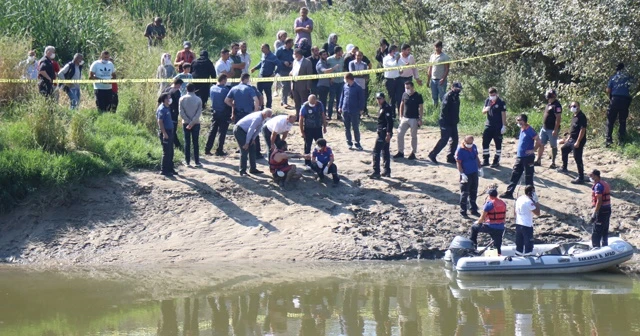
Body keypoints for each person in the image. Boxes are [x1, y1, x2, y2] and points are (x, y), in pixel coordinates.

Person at [500, 114, 542, 199]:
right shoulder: (522, 129)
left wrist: (533, 150)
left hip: (528, 157)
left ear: (525, 121)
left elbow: (539, 141)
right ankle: (509, 192)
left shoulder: (530, 130)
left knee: (528, 176)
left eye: (520, 120)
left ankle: (530, 195)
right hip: (520, 157)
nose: (519, 122)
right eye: (518, 120)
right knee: (515, 174)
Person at [428, 82, 462, 164]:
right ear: (452, 87)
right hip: (446, 121)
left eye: (459, 89)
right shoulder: (448, 96)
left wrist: (456, 119)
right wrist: (448, 121)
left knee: (455, 140)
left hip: (453, 121)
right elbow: (444, 111)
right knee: (444, 139)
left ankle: (450, 156)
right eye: (456, 89)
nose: (458, 90)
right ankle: (433, 154)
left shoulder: (456, 96)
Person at [234, 109, 273, 176]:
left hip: (246, 132)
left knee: (252, 148)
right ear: (264, 114)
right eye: (268, 116)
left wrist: (253, 139)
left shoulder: (263, 118)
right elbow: (251, 129)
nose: (268, 117)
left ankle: (253, 169)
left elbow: (258, 130)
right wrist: (247, 142)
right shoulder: (258, 118)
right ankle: (242, 170)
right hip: (239, 130)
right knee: (244, 150)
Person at [558, 101, 587, 183]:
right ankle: (564, 168)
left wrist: (578, 141)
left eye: (574, 106)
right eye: (571, 106)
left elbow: (582, 130)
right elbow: (573, 128)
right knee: (564, 149)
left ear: (579, 106)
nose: (572, 107)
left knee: (577, 158)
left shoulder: (582, 116)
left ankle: (581, 178)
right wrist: (568, 138)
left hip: (578, 140)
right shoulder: (574, 116)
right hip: (571, 139)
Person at [606, 63, 634, 146]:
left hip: (615, 100)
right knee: (622, 120)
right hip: (625, 100)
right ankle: (621, 140)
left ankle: (608, 141)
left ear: (616, 69)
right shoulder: (628, 78)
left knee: (610, 121)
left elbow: (608, 90)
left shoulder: (613, 78)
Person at [470, 188, 506, 255]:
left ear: (489, 195)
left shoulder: (489, 204)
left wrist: (477, 222)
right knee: (497, 244)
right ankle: (498, 255)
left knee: (474, 228)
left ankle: (473, 247)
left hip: (490, 226)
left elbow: (482, 218)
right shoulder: (503, 203)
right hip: (500, 227)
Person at [394, 81, 423, 160]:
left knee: (413, 136)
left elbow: (420, 107)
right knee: (399, 134)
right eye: (406, 88)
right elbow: (401, 104)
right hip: (405, 118)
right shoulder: (404, 94)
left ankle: (413, 153)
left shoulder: (418, 96)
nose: (407, 89)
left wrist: (420, 118)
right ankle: (400, 152)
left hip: (414, 119)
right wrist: (400, 116)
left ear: (412, 87)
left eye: (408, 88)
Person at [455, 136, 483, 218]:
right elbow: (458, 163)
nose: (469, 145)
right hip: (466, 174)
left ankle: (473, 209)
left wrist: (480, 168)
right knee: (465, 193)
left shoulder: (474, 147)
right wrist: (462, 174)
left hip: (474, 172)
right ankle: (463, 211)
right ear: (464, 141)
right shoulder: (460, 150)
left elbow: (476, 157)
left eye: (471, 143)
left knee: (474, 191)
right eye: (468, 143)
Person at [534, 89, 562, 168]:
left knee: (553, 146)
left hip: (552, 129)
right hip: (544, 128)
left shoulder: (557, 105)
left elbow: (558, 118)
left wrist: (555, 130)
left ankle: (553, 163)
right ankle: (538, 160)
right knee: (541, 143)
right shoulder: (548, 104)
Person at [205, 75, 231, 156]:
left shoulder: (212, 88)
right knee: (222, 132)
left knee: (212, 131)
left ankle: (207, 149)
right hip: (224, 113)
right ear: (223, 80)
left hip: (215, 112)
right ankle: (219, 150)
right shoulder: (225, 90)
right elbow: (228, 101)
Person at [370, 92, 394, 179]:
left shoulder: (386, 108)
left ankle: (376, 171)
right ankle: (387, 170)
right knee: (385, 151)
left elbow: (389, 122)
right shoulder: (382, 107)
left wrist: (388, 133)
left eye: (380, 98)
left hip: (383, 133)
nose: (378, 100)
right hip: (382, 132)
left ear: (384, 98)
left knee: (376, 152)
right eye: (377, 99)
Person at [481, 87, 507, 167]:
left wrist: (504, 126)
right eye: (491, 95)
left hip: (498, 126)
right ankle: (486, 160)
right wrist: (486, 109)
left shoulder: (501, 102)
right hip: (488, 125)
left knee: (498, 143)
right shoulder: (488, 101)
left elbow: (503, 114)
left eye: (494, 95)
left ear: (496, 94)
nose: (492, 96)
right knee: (485, 142)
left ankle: (496, 160)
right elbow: (483, 111)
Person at [339, 73, 365, 150]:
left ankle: (357, 143)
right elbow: (342, 97)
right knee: (347, 128)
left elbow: (362, 100)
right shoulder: (345, 86)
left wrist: (361, 109)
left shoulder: (358, 88)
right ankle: (349, 143)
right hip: (345, 110)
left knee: (355, 127)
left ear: (349, 79)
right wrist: (340, 106)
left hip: (354, 111)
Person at [179, 83, 203, 167]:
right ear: (194, 89)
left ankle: (187, 161)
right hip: (196, 123)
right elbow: (198, 112)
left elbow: (181, 112)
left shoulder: (182, 99)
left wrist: (188, 122)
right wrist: (192, 122)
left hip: (185, 123)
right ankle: (197, 161)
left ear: (186, 89)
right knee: (195, 142)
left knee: (187, 142)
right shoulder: (198, 99)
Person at [300, 94, 327, 167]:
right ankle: (307, 163)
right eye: (310, 102)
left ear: (316, 100)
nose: (311, 104)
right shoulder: (305, 106)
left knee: (321, 144)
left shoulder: (320, 104)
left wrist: (324, 126)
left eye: (313, 102)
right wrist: (302, 131)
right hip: (308, 129)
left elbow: (323, 115)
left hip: (318, 128)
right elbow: (301, 119)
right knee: (307, 146)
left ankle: (322, 161)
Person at [251, 44, 281, 109]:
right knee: (259, 92)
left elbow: (280, 65)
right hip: (261, 76)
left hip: (268, 77)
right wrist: (255, 68)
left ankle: (268, 107)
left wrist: (274, 74)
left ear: (267, 48)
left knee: (268, 92)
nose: (261, 50)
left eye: (263, 48)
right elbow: (261, 63)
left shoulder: (273, 56)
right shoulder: (263, 55)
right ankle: (261, 106)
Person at [514, 185, 540, 255]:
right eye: (534, 192)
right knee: (529, 244)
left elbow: (515, 212)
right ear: (530, 193)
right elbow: (537, 213)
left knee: (519, 244)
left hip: (518, 224)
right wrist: (536, 202)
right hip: (526, 226)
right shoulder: (528, 202)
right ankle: (528, 257)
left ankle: (518, 255)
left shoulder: (519, 199)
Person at [589, 169, 611, 248]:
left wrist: (594, 213)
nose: (590, 178)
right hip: (608, 209)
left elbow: (599, 201)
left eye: (591, 176)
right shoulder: (605, 183)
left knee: (596, 231)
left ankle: (596, 248)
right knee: (605, 229)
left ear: (596, 176)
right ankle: (605, 245)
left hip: (601, 210)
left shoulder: (598, 186)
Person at [396, 44, 422, 110]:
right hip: (400, 79)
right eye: (408, 50)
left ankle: (408, 110)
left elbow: (414, 68)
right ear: (403, 50)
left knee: (409, 94)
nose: (409, 51)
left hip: (409, 78)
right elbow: (396, 69)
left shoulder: (411, 57)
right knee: (400, 95)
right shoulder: (398, 57)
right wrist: (402, 69)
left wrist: (417, 78)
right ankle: (400, 111)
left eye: (409, 50)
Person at [291, 48, 313, 120]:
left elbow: (309, 74)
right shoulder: (294, 61)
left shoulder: (307, 62)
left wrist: (308, 86)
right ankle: (298, 116)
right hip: (294, 84)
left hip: (303, 85)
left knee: (304, 102)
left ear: (298, 54)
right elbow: (293, 71)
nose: (293, 55)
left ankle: (305, 116)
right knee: (296, 102)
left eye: (294, 54)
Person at [157, 93, 176, 177]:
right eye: (168, 98)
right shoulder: (162, 109)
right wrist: (164, 133)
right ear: (164, 99)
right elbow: (160, 122)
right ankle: (164, 170)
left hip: (170, 131)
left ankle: (170, 168)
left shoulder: (167, 107)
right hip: (165, 132)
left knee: (171, 151)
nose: (170, 99)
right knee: (166, 152)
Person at [427, 41, 451, 106]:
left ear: (441, 47)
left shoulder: (445, 56)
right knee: (434, 96)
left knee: (442, 97)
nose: (437, 48)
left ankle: (444, 110)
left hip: (441, 80)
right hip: (433, 79)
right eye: (436, 47)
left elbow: (447, 69)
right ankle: (435, 109)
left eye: (438, 47)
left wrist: (443, 78)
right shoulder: (432, 56)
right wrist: (428, 80)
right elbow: (430, 68)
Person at [163, 78, 184, 150]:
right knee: (173, 130)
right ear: (178, 84)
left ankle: (169, 143)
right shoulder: (176, 92)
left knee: (167, 129)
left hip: (165, 112)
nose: (180, 87)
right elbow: (178, 103)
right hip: (173, 113)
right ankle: (177, 146)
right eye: (180, 85)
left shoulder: (166, 89)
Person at [276, 38, 295, 108]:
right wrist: (283, 62)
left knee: (288, 86)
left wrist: (292, 63)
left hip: (290, 70)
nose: (292, 44)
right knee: (285, 85)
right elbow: (276, 59)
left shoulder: (292, 51)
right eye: (291, 43)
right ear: (288, 43)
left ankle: (283, 100)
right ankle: (284, 102)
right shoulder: (280, 50)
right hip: (282, 70)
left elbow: (294, 58)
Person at [327, 46, 345, 120]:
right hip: (333, 82)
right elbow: (326, 70)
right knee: (331, 99)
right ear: (337, 52)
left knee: (339, 99)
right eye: (341, 51)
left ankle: (339, 115)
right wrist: (330, 78)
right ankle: (329, 115)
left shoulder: (342, 59)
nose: (342, 53)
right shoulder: (329, 59)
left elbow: (343, 69)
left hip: (340, 82)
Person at [382, 45, 400, 111]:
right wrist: (397, 59)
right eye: (396, 51)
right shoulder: (386, 59)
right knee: (392, 97)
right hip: (389, 80)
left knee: (399, 97)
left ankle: (399, 112)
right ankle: (392, 114)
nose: (397, 52)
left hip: (397, 79)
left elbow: (401, 64)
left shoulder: (396, 58)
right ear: (392, 51)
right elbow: (393, 65)